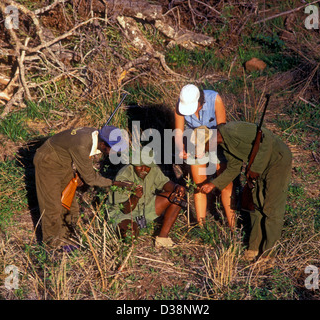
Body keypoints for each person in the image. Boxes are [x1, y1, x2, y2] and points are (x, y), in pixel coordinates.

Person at [195, 122, 292, 262]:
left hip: (277, 161)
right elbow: (234, 168)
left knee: (271, 209)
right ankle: (253, 248)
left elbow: (267, 140)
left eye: (204, 147)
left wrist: (255, 169)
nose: (204, 151)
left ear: (211, 139)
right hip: (257, 170)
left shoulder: (233, 130)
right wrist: (213, 184)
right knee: (256, 206)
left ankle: (268, 255)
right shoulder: (225, 146)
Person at [33, 125, 131, 251]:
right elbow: (90, 178)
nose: (115, 152)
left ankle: (68, 239)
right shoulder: (82, 145)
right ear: (102, 144)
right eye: (113, 149)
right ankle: (51, 247)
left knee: (69, 202)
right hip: (47, 161)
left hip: (63, 162)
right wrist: (116, 183)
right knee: (52, 206)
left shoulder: (94, 136)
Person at [174, 84, 235, 228]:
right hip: (195, 142)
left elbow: (222, 130)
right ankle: (202, 227)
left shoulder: (215, 99)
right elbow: (178, 131)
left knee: (225, 182)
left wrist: (208, 146)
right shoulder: (179, 106)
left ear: (201, 102)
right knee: (199, 184)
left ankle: (233, 226)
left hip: (217, 139)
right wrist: (180, 148)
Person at [109, 147, 186, 248]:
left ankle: (162, 238)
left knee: (177, 198)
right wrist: (135, 197)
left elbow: (165, 183)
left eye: (147, 166)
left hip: (146, 208)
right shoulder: (123, 176)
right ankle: (136, 228)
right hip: (124, 214)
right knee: (129, 235)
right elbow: (126, 210)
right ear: (134, 164)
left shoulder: (153, 169)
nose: (144, 169)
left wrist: (176, 187)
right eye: (140, 166)